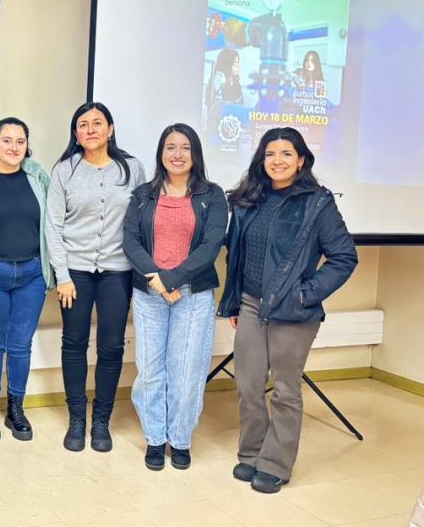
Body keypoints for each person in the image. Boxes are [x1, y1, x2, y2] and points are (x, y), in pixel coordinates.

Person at [219, 127, 357, 493]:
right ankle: (251, 454)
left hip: (293, 312)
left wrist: (305, 295)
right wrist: (234, 300)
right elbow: (237, 256)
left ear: (301, 160)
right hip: (250, 305)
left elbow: (344, 257)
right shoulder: (250, 199)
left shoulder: (317, 202)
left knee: (284, 389)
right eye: (270, 154)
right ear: (261, 160)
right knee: (248, 385)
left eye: (285, 154)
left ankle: (276, 463)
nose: (276, 161)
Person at [122, 123, 227, 471]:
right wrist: (158, 281)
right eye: (170, 147)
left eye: (185, 147)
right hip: (150, 294)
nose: (177, 154)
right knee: (151, 372)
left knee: (186, 373)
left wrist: (172, 279)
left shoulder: (212, 195)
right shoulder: (143, 194)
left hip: (193, 295)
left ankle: (180, 440)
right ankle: (154, 438)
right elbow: (131, 241)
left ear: (195, 154)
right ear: (161, 153)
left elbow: (211, 245)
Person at [45, 102, 146, 453]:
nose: (90, 130)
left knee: (111, 345)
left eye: (97, 123)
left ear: (110, 129)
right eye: (83, 125)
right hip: (75, 272)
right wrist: (62, 275)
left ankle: (101, 420)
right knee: (74, 343)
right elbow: (53, 226)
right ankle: (77, 419)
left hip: (117, 272)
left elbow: (141, 221)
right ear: (76, 134)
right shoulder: (65, 171)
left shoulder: (132, 169)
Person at [0, 117, 53, 442]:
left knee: (20, 345)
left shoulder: (39, 178)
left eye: (20, 141)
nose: (14, 147)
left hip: (32, 274)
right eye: (7, 140)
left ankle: (15, 408)